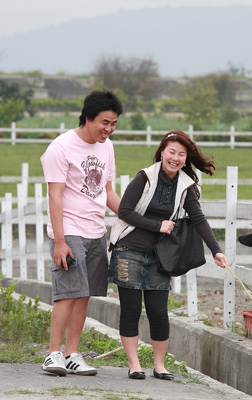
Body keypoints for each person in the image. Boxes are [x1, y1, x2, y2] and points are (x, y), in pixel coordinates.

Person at [108, 130, 228, 380]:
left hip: (160, 256)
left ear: (186, 158)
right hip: (128, 250)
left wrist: (216, 250)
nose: (175, 157)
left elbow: (199, 220)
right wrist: (158, 225)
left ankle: (159, 365)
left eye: (181, 154)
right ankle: (134, 365)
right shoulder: (144, 178)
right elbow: (124, 212)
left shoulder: (186, 186)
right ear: (162, 152)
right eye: (171, 151)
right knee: (130, 310)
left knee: (158, 312)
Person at [40, 90, 123, 376]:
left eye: (113, 124)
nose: (108, 129)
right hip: (69, 229)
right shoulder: (60, 148)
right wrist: (60, 241)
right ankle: (53, 354)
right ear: (88, 117)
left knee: (84, 294)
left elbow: (107, 191)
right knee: (68, 293)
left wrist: (133, 218)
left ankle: (72, 354)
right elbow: (55, 196)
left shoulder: (107, 146)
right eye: (104, 122)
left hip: (95, 229)